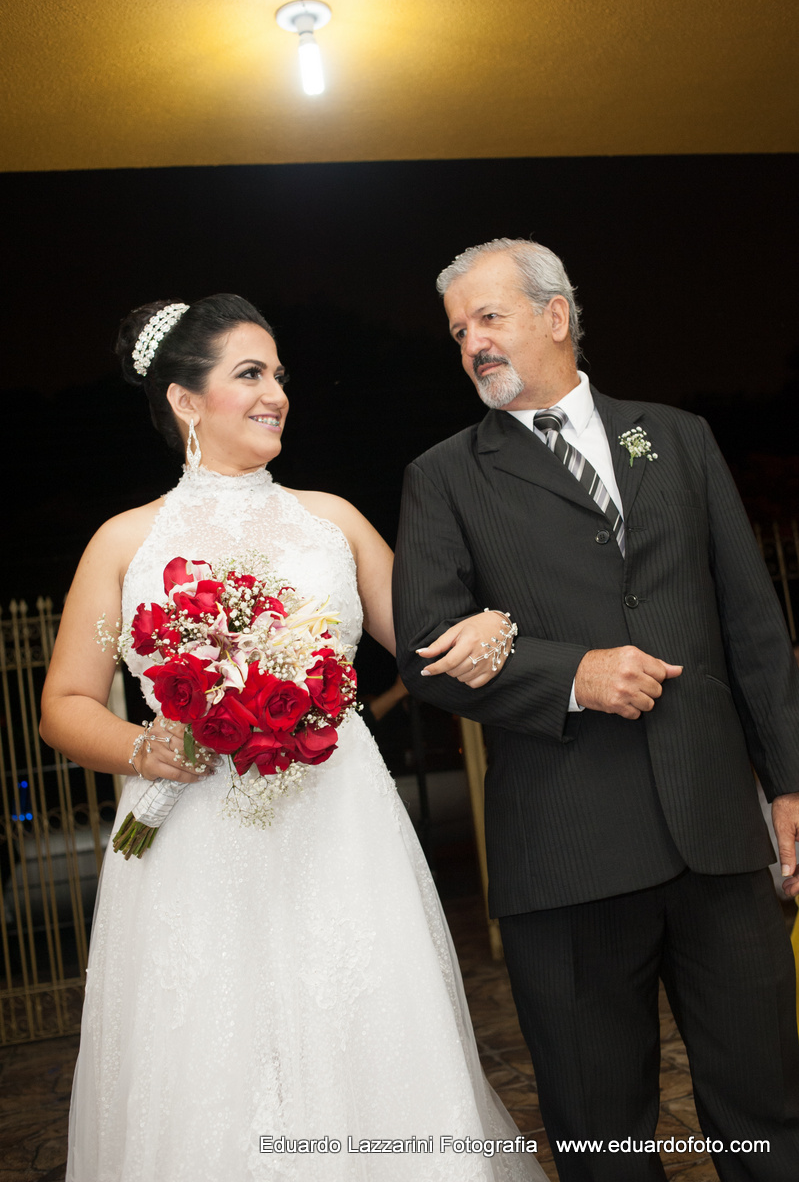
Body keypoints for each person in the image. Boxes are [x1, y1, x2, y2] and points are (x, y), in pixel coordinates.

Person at [40, 294, 545, 1181]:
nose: (276, 394)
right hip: (190, 839)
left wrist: (491, 626)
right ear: (184, 400)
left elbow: (427, 646)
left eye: (278, 375)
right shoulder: (125, 544)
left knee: (361, 1025)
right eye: (249, 374)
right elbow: (66, 704)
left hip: (338, 827)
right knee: (210, 1052)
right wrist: (146, 749)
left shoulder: (332, 521)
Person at [392, 238, 799, 1182]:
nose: (472, 343)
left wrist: (788, 784)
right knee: (600, 1133)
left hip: (717, 839)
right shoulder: (444, 476)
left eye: (489, 318)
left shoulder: (677, 437)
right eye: (458, 331)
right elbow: (429, 656)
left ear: (556, 315)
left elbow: (750, 624)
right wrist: (572, 675)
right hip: (564, 856)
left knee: (770, 1112)